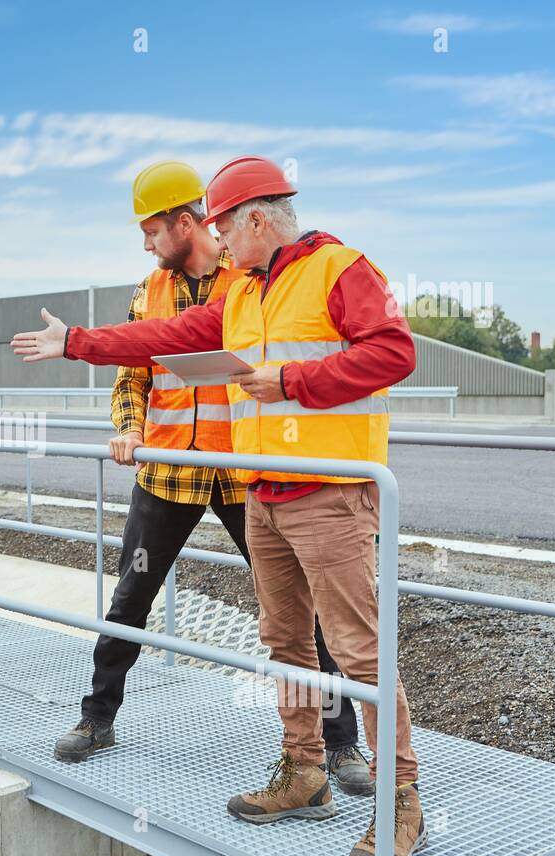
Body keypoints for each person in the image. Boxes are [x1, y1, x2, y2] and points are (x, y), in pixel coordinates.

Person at [11, 155, 425, 856]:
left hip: (328, 491)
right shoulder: (244, 292)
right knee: (286, 644)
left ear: (256, 220)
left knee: (357, 651)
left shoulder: (340, 269)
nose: (219, 242)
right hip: (259, 491)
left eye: (224, 228)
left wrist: (292, 380)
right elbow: (162, 340)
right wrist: (77, 343)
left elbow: (395, 351)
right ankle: (304, 772)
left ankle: (398, 804)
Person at [51, 160, 370, 798]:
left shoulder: (252, 278)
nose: (145, 245)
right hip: (168, 472)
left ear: (187, 223)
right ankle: (97, 716)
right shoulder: (149, 291)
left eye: (150, 231)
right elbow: (133, 372)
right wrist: (128, 428)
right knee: (130, 599)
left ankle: (340, 746)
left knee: (298, 614)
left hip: (239, 474)